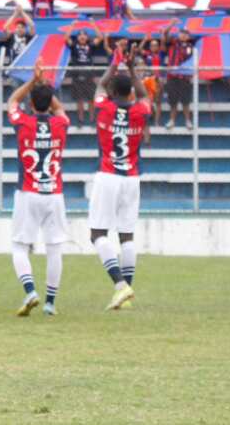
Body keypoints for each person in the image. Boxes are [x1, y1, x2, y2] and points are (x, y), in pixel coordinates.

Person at [89, 47, 152, 312]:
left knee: (97, 234)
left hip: (108, 175)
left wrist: (115, 65)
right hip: (131, 178)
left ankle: (120, 285)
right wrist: (132, 70)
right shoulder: (141, 110)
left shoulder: (104, 107)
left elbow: (101, 85)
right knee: (126, 236)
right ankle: (126, 291)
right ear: (131, 93)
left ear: (113, 92)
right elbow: (146, 94)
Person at [7, 63, 70, 317]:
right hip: (54, 193)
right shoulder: (61, 123)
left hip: (28, 192)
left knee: (19, 247)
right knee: (54, 248)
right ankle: (50, 303)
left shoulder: (22, 122)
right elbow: (58, 108)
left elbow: (12, 100)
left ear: (31, 104)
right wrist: (44, 86)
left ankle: (31, 291)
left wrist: (33, 82)